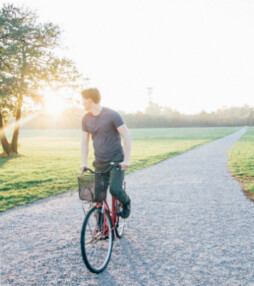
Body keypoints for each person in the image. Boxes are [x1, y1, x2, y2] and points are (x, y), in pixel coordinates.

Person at [80, 88, 131, 218]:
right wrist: (84, 163)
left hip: (116, 161)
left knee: (115, 190)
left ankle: (126, 202)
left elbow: (126, 135)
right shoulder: (86, 118)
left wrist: (126, 159)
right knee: (96, 196)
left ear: (90, 100)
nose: (82, 103)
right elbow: (84, 143)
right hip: (99, 162)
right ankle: (102, 225)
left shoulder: (112, 115)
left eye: (83, 100)